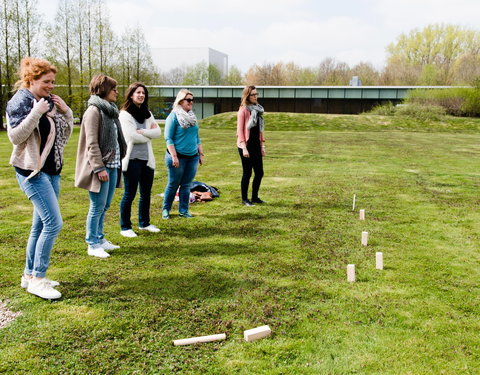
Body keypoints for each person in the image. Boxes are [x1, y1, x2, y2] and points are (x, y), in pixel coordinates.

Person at [6, 57, 73, 300]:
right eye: (47, 81)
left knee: (39, 225)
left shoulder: (45, 101)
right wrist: (36, 112)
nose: (51, 86)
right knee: (54, 223)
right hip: (32, 172)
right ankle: (38, 278)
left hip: (51, 170)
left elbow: (64, 131)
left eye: (53, 81)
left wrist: (66, 111)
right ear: (31, 80)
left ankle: (29, 275)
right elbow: (15, 136)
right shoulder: (21, 102)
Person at [75, 74, 126, 258]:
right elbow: (91, 143)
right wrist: (99, 168)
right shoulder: (93, 111)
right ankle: (92, 243)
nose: (117, 92)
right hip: (101, 168)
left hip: (113, 165)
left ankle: (100, 238)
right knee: (96, 206)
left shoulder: (111, 110)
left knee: (105, 205)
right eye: (114, 89)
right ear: (104, 90)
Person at [118, 82, 161, 238]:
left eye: (143, 93)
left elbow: (158, 132)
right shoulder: (124, 114)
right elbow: (131, 136)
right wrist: (148, 133)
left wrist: (143, 131)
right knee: (129, 194)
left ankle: (144, 223)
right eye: (138, 93)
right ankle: (125, 227)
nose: (141, 95)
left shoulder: (147, 113)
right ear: (131, 95)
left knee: (146, 194)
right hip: (132, 160)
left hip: (147, 160)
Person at [162, 89, 204, 219]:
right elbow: (168, 138)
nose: (191, 102)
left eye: (192, 100)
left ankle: (184, 211)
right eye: (189, 100)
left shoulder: (192, 117)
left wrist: (200, 153)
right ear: (180, 101)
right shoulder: (173, 116)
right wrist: (174, 156)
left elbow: (196, 137)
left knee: (186, 185)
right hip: (177, 157)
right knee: (173, 183)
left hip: (192, 157)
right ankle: (166, 210)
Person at [237, 85, 266, 206]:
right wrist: (244, 148)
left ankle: (255, 197)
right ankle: (244, 199)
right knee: (247, 173)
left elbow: (260, 129)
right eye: (253, 94)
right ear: (247, 96)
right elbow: (239, 131)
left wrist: (262, 145)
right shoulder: (243, 110)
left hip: (256, 145)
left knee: (259, 172)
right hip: (246, 146)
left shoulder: (258, 110)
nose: (255, 96)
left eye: (256, 94)